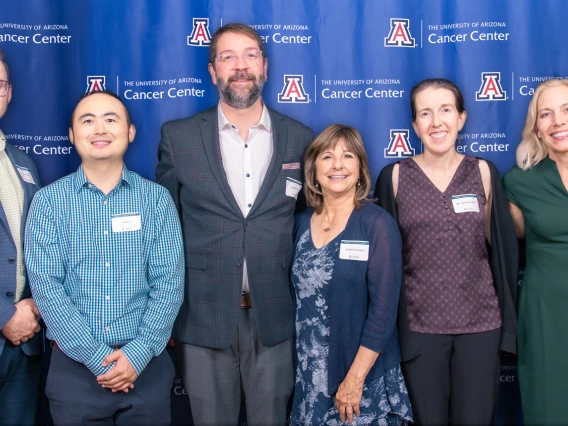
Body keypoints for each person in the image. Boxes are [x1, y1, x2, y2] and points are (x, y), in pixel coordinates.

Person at [157, 22, 313, 426]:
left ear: (265, 66)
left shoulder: (299, 137)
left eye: (249, 55)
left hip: (275, 315)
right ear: (213, 71)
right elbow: (164, 234)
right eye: (227, 57)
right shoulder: (179, 138)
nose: (240, 66)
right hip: (202, 316)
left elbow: (308, 225)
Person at [24, 90, 184, 426]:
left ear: (130, 132)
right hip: (75, 373)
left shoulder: (156, 200)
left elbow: (169, 282)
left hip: (146, 370)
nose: (100, 129)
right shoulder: (48, 203)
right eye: (88, 120)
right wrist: (100, 360)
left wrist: (137, 355)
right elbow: (47, 287)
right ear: (71, 135)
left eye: (111, 119)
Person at [375, 78, 518, 426]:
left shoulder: (483, 172)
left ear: (461, 118)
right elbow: (385, 264)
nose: (436, 121)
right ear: (414, 125)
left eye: (445, 110)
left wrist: (510, 328)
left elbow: (501, 254)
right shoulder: (393, 176)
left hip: (481, 326)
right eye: (425, 113)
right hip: (419, 329)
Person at [291, 124, 413, 426]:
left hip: (359, 378)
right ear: (314, 169)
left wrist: (354, 380)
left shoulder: (377, 224)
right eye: (327, 157)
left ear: (360, 169)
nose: (337, 165)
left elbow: (384, 313)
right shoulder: (300, 223)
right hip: (309, 377)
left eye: (347, 156)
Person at [503, 78, 568, 425]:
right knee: (550, 408)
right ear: (537, 129)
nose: (558, 121)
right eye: (546, 114)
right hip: (547, 318)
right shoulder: (519, 183)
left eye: (566, 109)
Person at [0, 48, 42, 426]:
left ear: (9, 93)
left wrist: (34, 307)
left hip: (24, 345)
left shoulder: (23, 164)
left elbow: (39, 247)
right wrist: (3, 316)